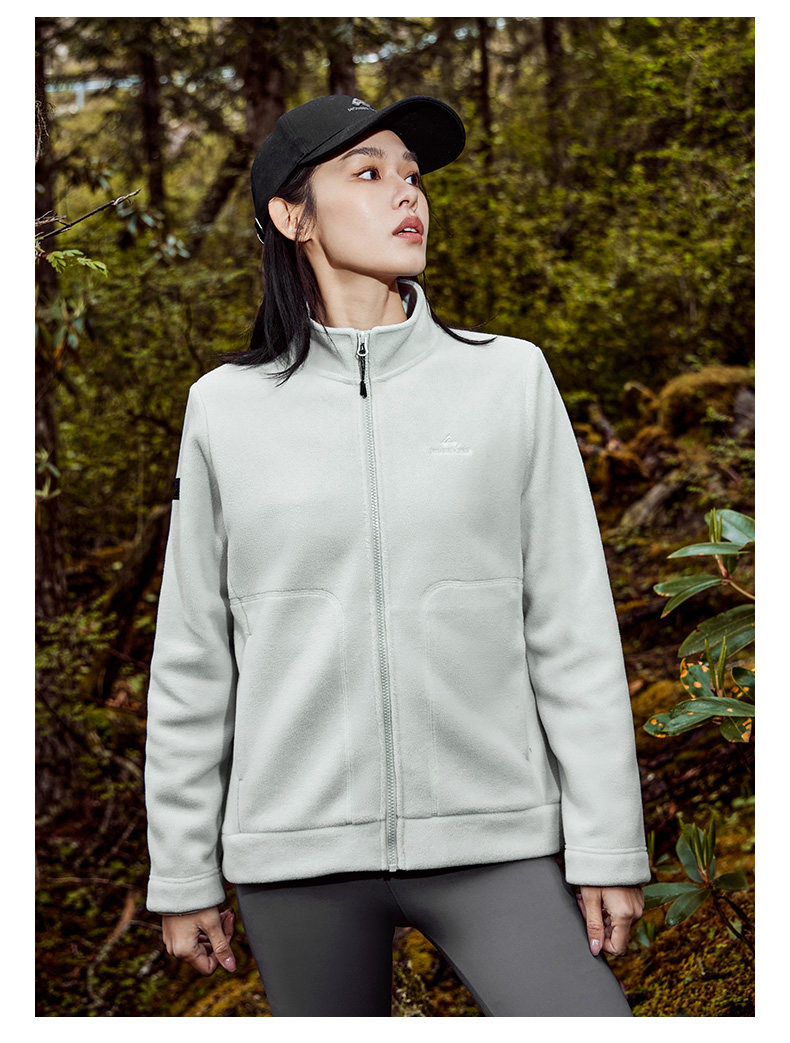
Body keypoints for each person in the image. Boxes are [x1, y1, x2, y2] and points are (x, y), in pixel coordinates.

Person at [143, 94, 651, 1017]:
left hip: (495, 838)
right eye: (368, 173)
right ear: (291, 217)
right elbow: (193, 653)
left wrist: (608, 839)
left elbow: (572, 626)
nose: (407, 194)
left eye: (412, 175)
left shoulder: (508, 378)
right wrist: (182, 868)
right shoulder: (225, 407)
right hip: (294, 854)